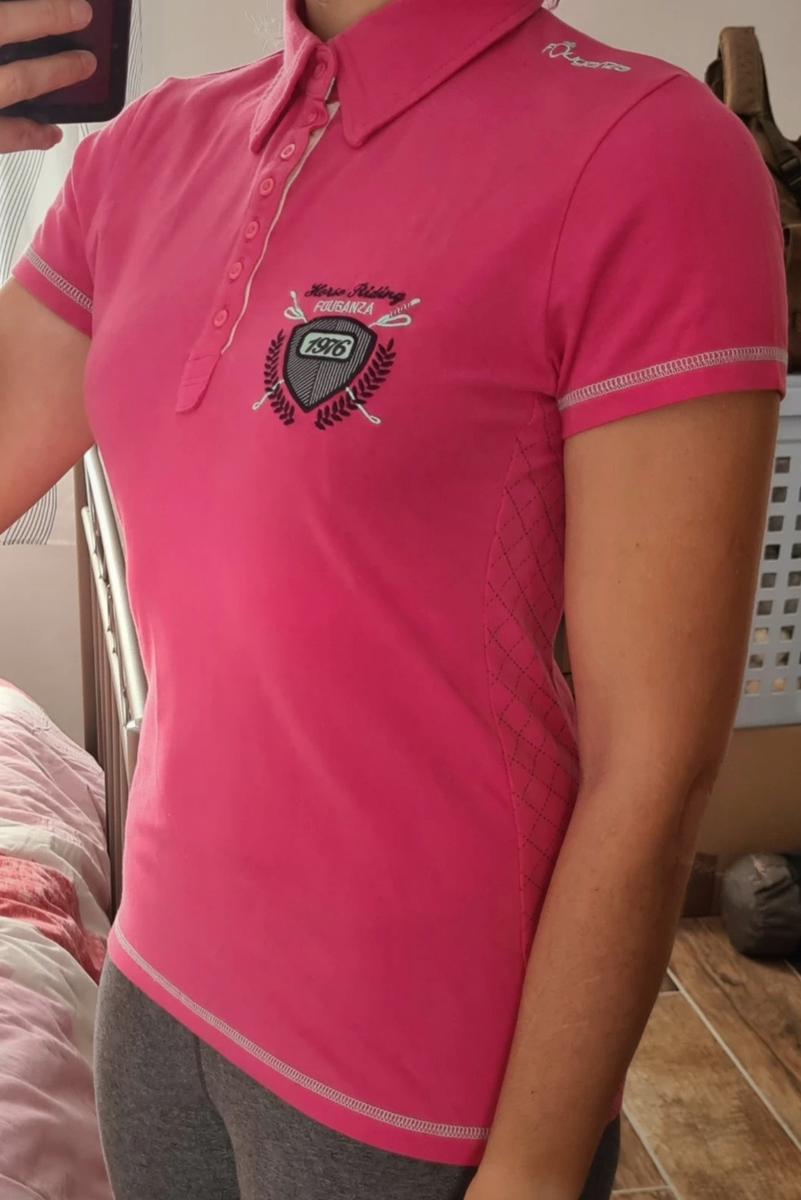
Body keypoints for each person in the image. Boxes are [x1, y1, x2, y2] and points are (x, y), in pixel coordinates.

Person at [0, 1, 788, 1198]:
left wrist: (532, 1172)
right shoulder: (144, 150)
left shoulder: (649, 151)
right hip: (156, 1002)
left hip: (416, 1083)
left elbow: (656, 762)